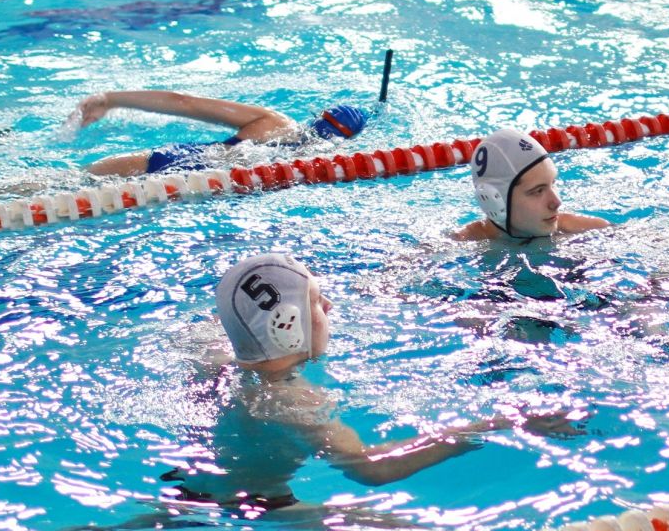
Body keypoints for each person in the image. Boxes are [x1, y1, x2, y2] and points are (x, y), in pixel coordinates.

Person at [168, 252, 579, 500]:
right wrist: (497, 423)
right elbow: (372, 468)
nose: (328, 306)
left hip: (190, 483)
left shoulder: (218, 360)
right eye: (314, 301)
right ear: (285, 326)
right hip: (252, 506)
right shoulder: (291, 399)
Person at [71, 89, 368, 176]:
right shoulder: (329, 165)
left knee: (70, 183)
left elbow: (184, 102)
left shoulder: (276, 123)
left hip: (175, 161)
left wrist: (111, 99)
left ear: (318, 117)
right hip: (202, 191)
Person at [451, 128, 612, 242]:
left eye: (553, 184)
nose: (556, 202)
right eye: (538, 191)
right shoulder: (461, 246)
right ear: (495, 200)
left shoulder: (590, 231)